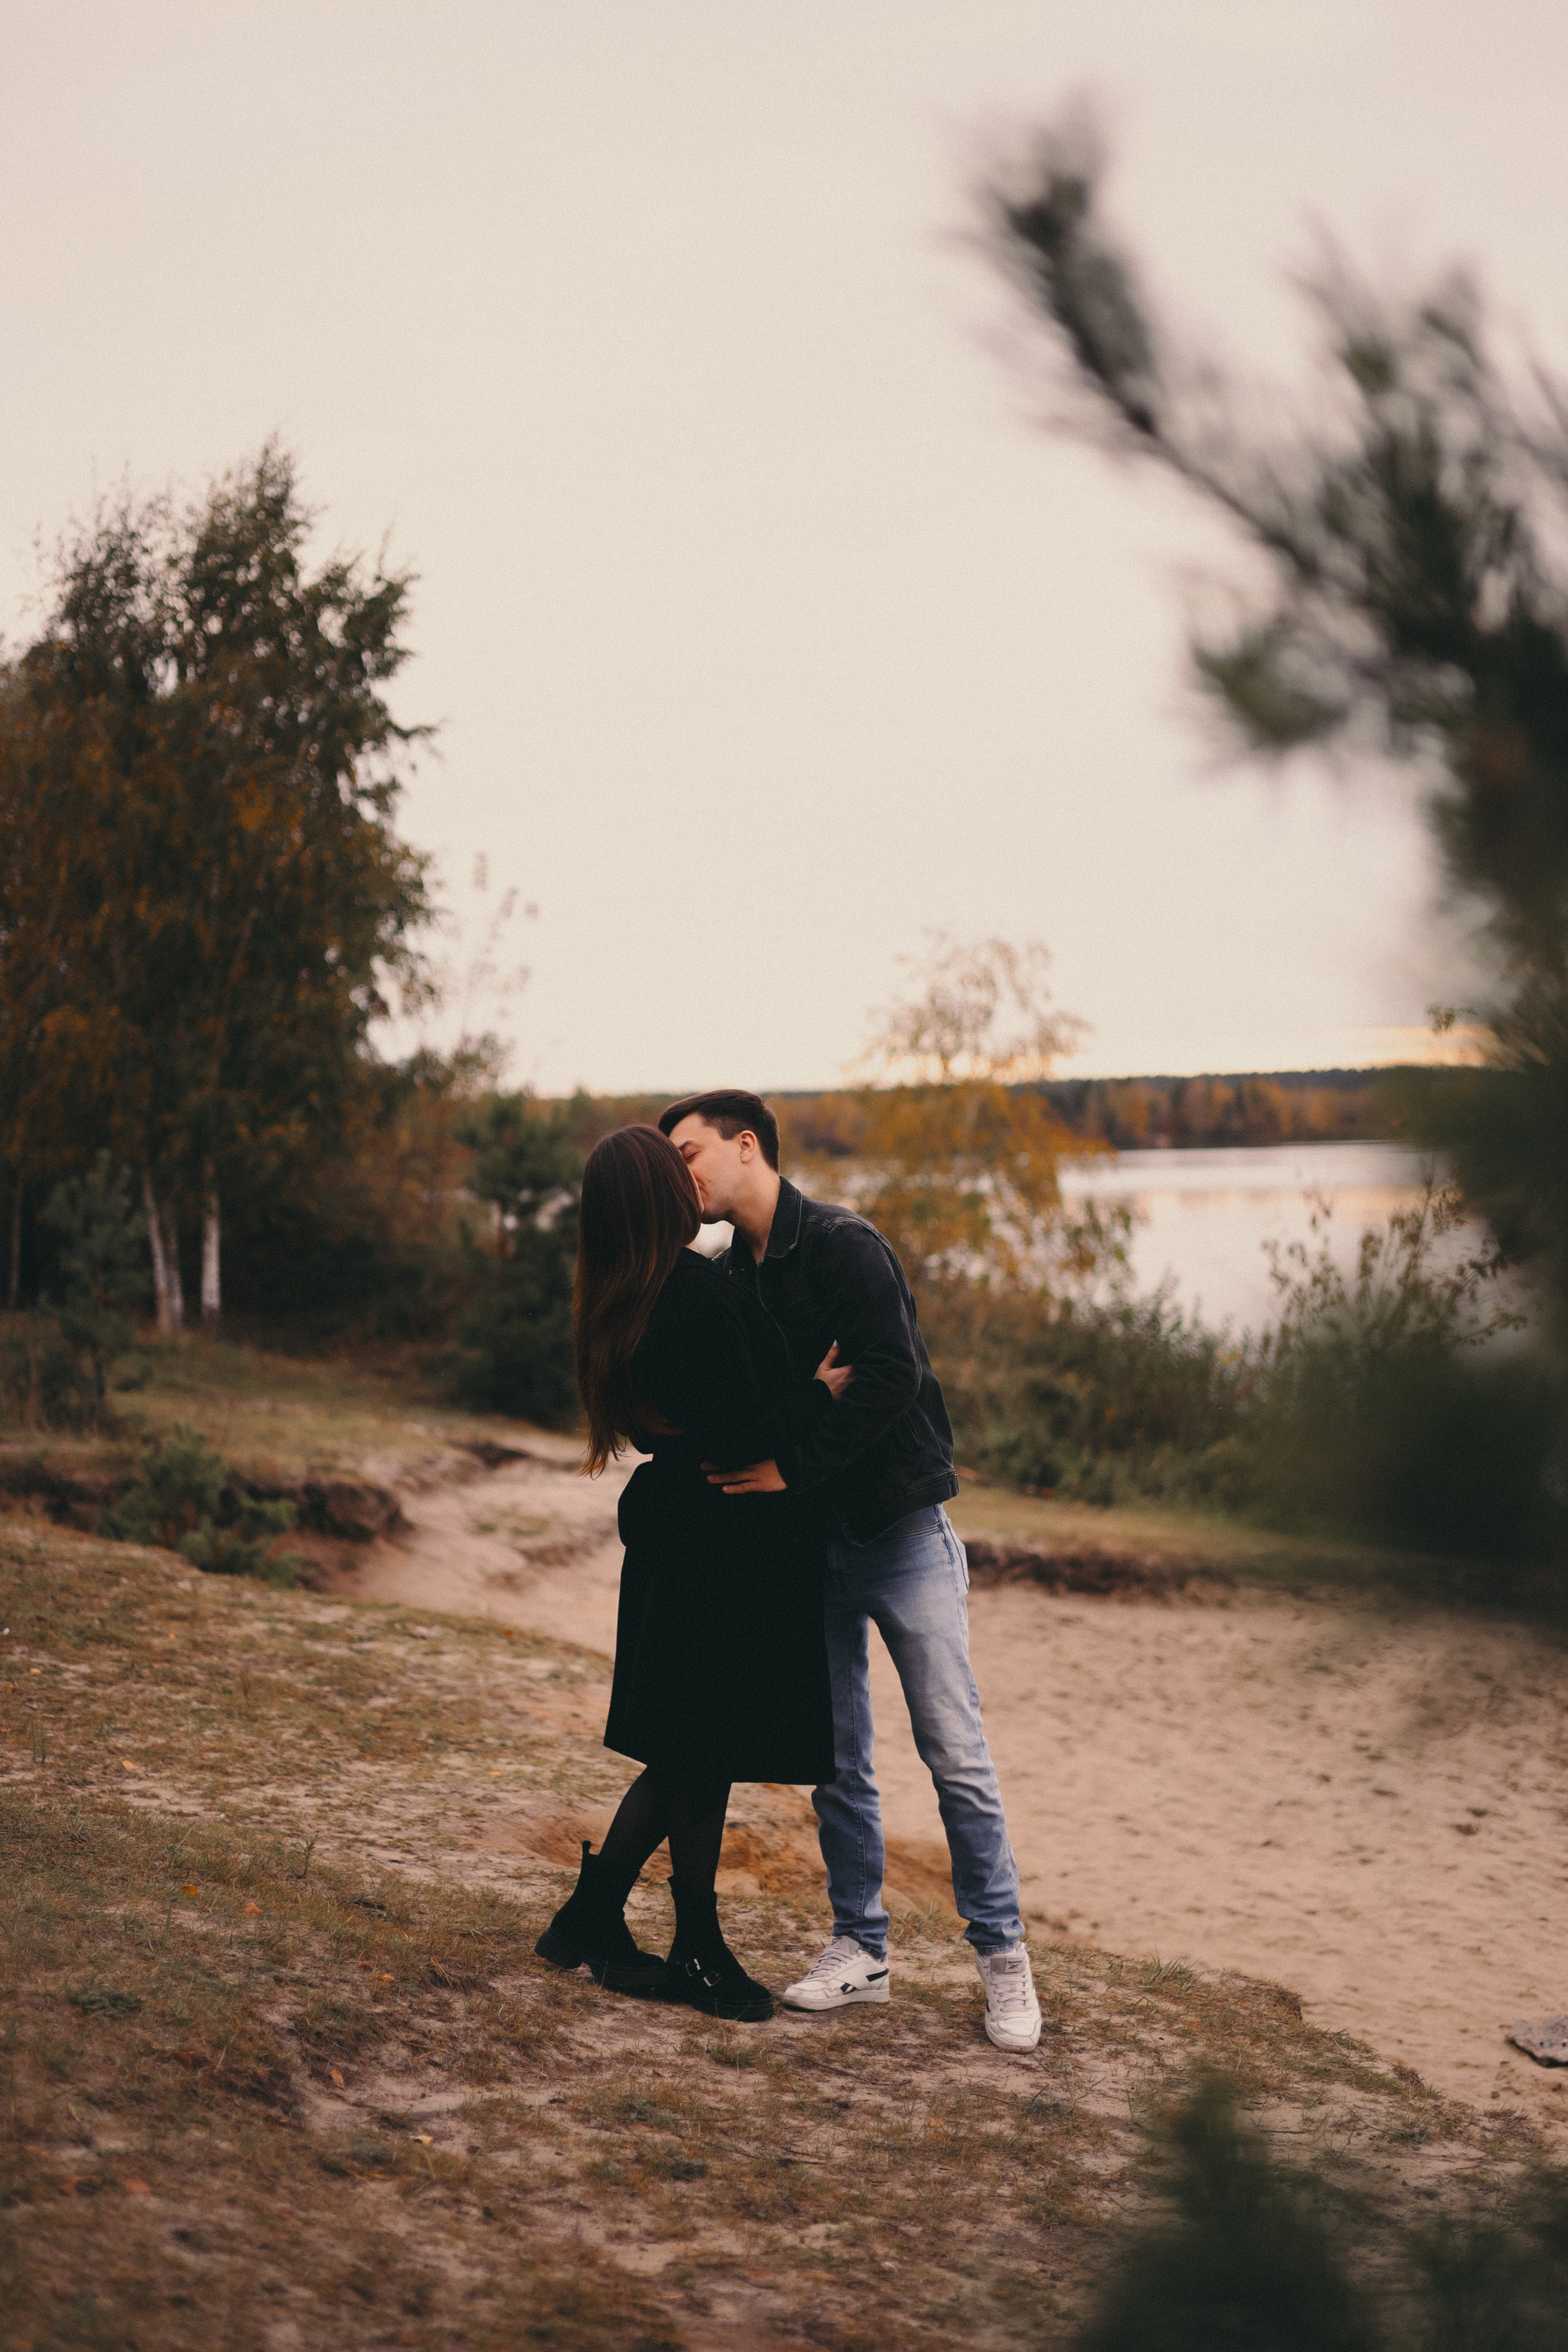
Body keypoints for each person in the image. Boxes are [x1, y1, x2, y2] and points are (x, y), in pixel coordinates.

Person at [657, 1089, 1042, 2055]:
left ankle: (1003, 1957)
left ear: (748, 1147)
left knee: (954, 1752)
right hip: (807, 1547)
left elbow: (893, 1378)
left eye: (690, 1154)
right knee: (838, 1763)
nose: (680, 1175)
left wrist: (792, 1466)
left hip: (902, 1534)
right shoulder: (724, 1276)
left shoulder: (843, 1245)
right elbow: (751, 1402)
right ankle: (862, 1949)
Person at [535, 1123, 842, 2023]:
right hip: (716, 1538)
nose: (689, 1179)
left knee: (688, 1749)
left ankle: (596, 1916)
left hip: (679, 1530)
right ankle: (692, 1946)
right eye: (675, 1170)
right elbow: (742, 1427)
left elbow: (699, 1415)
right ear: (656, 1196)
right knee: (699, 1753)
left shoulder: (617, 1293)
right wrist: (817, 1394)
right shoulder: (690, 1294)